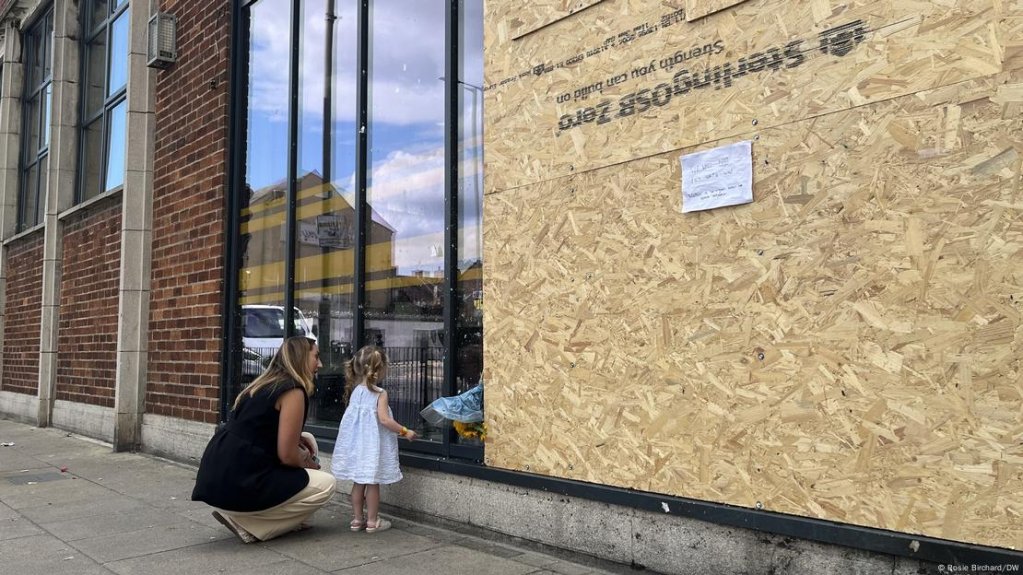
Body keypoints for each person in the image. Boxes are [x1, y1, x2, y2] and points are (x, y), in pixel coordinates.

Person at [192, 336, 336, 543]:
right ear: (302, 358)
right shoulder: (293, 390)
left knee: (308, 438)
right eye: (316, 357)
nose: (320, 364)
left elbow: (261, 429)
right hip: (240, 482)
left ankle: (280, 519)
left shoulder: (266, 384)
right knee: (327, 484)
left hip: (220, 474)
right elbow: (287, 456)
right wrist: (311, 464)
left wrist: (300, 444)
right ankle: (251, 524)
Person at [331, 345, 418, 533]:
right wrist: (405, 431)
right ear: (379, 370)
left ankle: (356, 520)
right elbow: (385, 420)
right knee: (372, 483)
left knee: (357, 482)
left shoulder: (355, 391)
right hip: (371, 446)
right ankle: (372, 521)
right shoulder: (380, 393)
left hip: (356, 445)